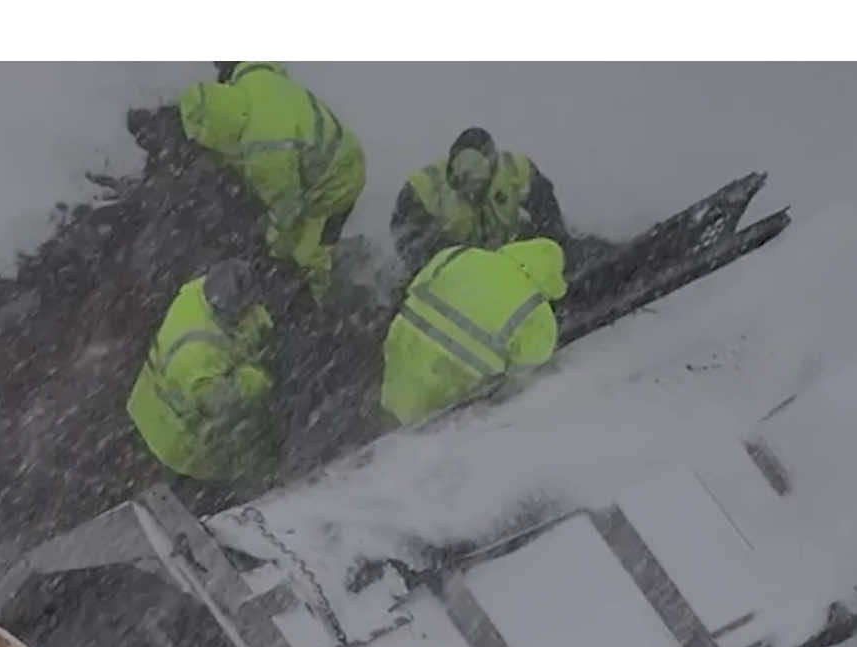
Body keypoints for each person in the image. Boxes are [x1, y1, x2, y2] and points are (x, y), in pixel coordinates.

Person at [177, 63, 365, 297]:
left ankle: (319, 301)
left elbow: (287, 214)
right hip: (340, 151)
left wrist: (272, 253)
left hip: (335, 184)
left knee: (306, 255)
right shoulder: (252, 82)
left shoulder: (264, 152)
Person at [380, 237, 567, 427]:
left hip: (408, 342)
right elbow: (527, 366)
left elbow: (416, 287)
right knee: (419, 419)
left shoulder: (462, 254)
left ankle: (386, 419)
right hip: (457, 375)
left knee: (400, 397)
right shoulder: (537, 311)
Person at [127, 260, 277, 483]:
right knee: (241, 457)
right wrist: (260, 378)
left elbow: (247, 322)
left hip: (157, 401)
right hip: (175, 438)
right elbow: (230, 405)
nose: (254, 311)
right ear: (229, 313)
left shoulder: (200, 292)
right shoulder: (196, 357)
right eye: (247, 309)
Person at [391, 128, 566, 276]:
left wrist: (534, 260)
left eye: (477, 184)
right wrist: (440, 262)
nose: (471, 193)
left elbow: (550, 221)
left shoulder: (517, 172)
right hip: (456, 274)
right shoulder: (427, 186)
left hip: (510, 266)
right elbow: (406, 237)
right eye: (462, 181)